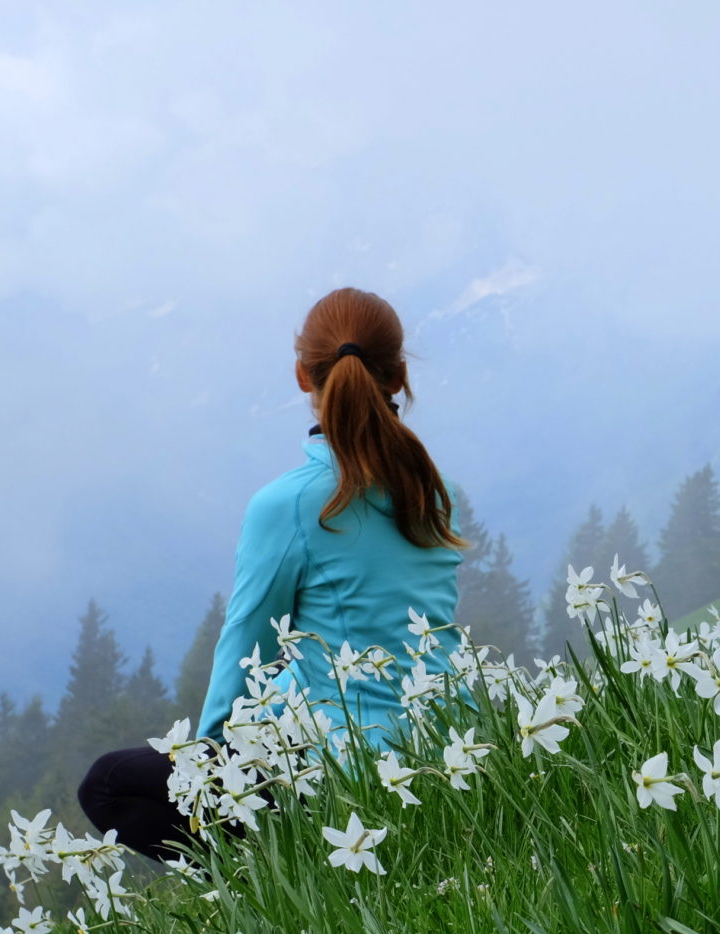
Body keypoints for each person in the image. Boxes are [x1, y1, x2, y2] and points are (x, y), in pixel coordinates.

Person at [78, 287, 467, 860]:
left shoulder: (288, 504)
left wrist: (206, 770)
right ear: (400, 374)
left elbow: (246, 651)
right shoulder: (436, 492)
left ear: (301, 377)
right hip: (443, 749)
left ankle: (263, 887)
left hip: (345, 769)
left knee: (107, 783)